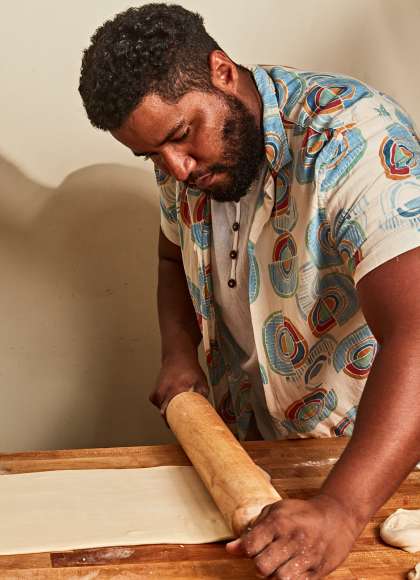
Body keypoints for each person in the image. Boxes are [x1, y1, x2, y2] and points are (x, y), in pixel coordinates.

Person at [78, 4, 420, 578]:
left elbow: (417, 331)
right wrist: (178, 353)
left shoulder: (353, 140)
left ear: (221, 71)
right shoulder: (179, 160)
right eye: (152, 155)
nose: (177, 169)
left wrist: (341, 509)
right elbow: (170, 255)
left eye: (182, 136)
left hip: (369, 464)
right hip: (256, 444)